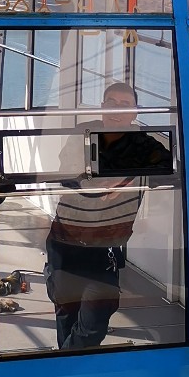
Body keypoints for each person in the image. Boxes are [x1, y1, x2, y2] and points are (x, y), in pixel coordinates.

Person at [44, 81, 173, 351]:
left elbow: (172, 166)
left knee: (93, 325)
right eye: (111, 103)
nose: (116, 110)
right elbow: (78, 179)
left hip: (105, 249)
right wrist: (131, 174)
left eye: (124, 105)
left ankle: (65, 367)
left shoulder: (147, 140)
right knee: (66, 314)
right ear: (102, 107)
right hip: (65, 242)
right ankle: (71, 374)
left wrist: (125, 180)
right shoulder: (82, 132)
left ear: (135, 111)